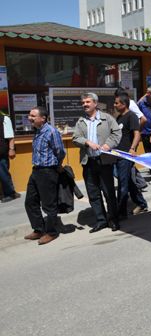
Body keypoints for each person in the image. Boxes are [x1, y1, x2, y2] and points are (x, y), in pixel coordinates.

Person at [72, 92, 122, 233]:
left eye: (87, 102)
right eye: (83, 103)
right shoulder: (81, 121)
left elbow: (117, 133)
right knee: (93, 193)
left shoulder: (107, 118)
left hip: (104, 161)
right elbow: (75, 138)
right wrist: (87, 142)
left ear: (95, 103)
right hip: (89, 162)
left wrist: (108, 145)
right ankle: (101, 221)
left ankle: (113, 220)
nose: (85, 105)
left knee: (109, 192)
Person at [23, 106, 66, 245]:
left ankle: (52, 232)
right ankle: (39, 229)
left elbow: (60, 151)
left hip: (48, 172)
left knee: (49, 205)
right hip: (36, 170)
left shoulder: (51, 132)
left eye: (33, 116)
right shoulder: (37, 131)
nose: (30, 118)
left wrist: (58, 165)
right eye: (30, 115)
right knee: (30, 202)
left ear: (43, 118)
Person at [114, 93, 148, 217]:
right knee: (127, 181)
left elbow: (137, 133)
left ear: (123, 104)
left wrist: (132, 148)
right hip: (117, 155)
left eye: (117, 103)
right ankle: (141, 203)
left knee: (123, 184)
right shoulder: (118, 118)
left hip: (125, 155)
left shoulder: (131, 116)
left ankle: (120, 212)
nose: (114, 105)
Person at [0, 112, 20, 202]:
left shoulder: (4, 119)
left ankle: (11, 193)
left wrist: (11, 149)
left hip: (1, 151)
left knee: (3, 173)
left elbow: (10, 136)